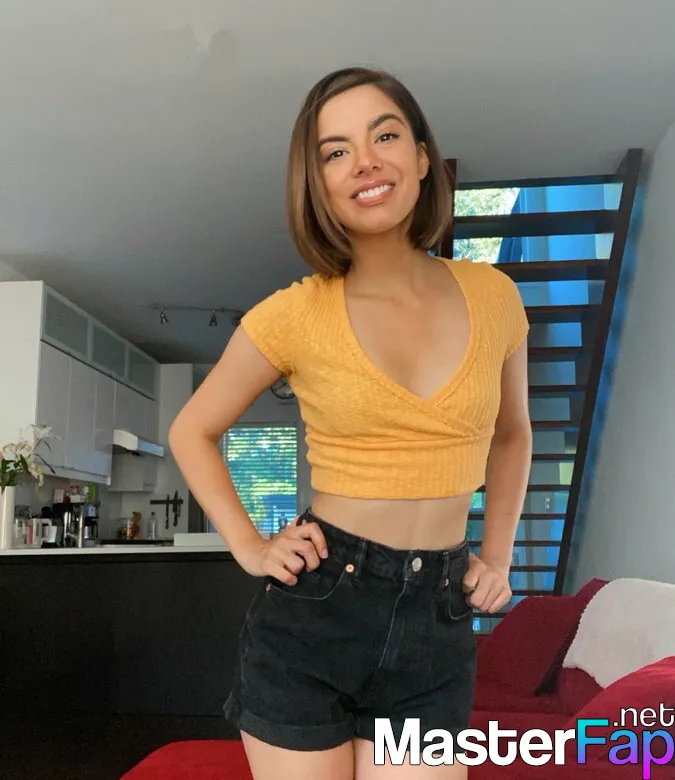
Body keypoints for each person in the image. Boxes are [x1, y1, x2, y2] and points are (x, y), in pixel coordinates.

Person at [169, 66, 532, 780]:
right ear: (318, 184)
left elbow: (513, 435)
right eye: (336, 152)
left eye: (384, 136)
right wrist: (250, 547)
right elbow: (191, 430)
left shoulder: (495, 296)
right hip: (316, 609)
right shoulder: (293, 313)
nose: (364, 161)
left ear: (421, 158)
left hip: (438, 618)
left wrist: (498, 555)